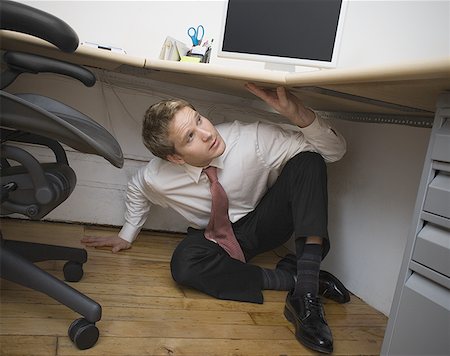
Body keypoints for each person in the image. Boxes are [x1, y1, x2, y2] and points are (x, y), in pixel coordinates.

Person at [81, 83, 349, 354]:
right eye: (190, 137)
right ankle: (300, 279)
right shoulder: (158, 176)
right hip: (216, 237)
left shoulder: (252, 139)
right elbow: (137, 187)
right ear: (174, 157)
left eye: (199, 119)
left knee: (309, 161)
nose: (208, 133)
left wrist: (299, 114)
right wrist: (126, 234)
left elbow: (332, 152)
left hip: (262, 222)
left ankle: (306, 296)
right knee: (184, 264)